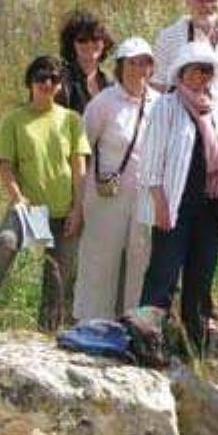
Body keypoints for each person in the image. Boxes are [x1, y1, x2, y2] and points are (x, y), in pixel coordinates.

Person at [0, 55, 89, 330]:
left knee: (57, 275)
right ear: (30, 82)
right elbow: (5, 165)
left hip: (64, 211)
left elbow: (79, 166)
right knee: (5, 242)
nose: (47, 84)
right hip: (30, 208)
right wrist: (18, 199)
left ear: (60, 84)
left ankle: (48, 330)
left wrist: (78, 208)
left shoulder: (71, 120)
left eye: (53, 79)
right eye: (41, 78)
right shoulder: (14, 120)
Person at [138, 42, 218, 354]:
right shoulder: (166, 107)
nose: (202, 76)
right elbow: (150, 163)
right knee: (163, 274)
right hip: (174, 206)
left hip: (210, 207)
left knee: (201, 276)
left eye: (207, 70)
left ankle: (194, 346)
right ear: (182, 72)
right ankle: (146, 341)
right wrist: (160, 205)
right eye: (196, 69)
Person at [72, 37, 159, 323]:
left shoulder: (160, 104)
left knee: (141, 261)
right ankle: (91, 325)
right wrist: (78, 203)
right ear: (121, 66)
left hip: (146, 197)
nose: (138, 69)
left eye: (144, 63)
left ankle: (135, 327)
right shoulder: (103, 103)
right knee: (99, 261)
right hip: (107, 196)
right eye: (132, 63)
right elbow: (81, 151)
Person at [150, 0, 218, 130]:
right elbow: (156, 87)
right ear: (188, 1)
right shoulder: (168, 37)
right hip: (178, 129)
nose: (206, 5)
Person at [56, 10, 114, 114]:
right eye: (82, 40)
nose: (90, 44)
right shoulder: (62, 81)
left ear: (104, 42)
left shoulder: (110, 81)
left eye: (95, 39)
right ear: (71, 44)